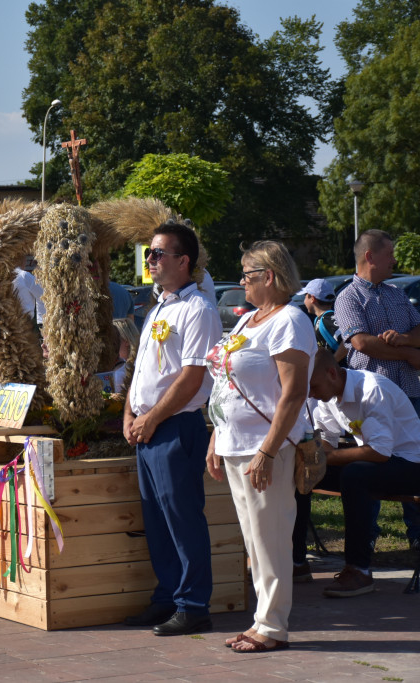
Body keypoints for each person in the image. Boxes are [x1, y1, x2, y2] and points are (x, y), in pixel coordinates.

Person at [206, 240, 315, 653]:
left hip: (265, 447)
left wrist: (268, 451)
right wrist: (217, 436)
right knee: (253, 540)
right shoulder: (248, 319)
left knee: (269, 539)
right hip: (235, 444)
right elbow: (226, 383)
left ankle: (271, 626)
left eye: (247, 275)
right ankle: (261, 621)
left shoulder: (289, 320)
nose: (241, 282)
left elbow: (293, 392)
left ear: (268, 276)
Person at [122, 220, 221, 636]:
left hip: (176, 426)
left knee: (182, 519)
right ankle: (167, 598)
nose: (151, 260)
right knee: (158, 521)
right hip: (147, 427)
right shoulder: (159, 305)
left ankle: (193, 604)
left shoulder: (198, 309)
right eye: (149, 253)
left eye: (158, 253)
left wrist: (152, 417)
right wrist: (129, 414)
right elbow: (141, 370)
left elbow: (193, 376)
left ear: (184, 261)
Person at [307, 349, 420, 596]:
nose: (310, 394)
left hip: (412, 465)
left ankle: (359, 570)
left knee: (355, 475)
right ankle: (295, 562)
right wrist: (315, 462)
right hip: (384, 462)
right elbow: (327, 439)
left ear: (331, 373)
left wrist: (327, 458)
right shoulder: (329, 396)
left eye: (313, 387)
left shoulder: (371, 389)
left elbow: (380, 452)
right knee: (303, 473)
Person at [334, 229, 420, 551]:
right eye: (389, 254)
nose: (394, 260)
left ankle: (417, 537)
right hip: (372, 401)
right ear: (370, 257)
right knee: (371, 465)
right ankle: (365, 539)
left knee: (414, 461)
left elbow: (419, 330)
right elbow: (361, 343)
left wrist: (404, 339)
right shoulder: (348, 298)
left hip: (409, 395)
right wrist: (410, 353)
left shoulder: (397, 293)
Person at [291, 278, 346, 582]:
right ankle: (296, 560)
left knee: (301, 479)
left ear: (311, 297)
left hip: (332, 401)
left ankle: (297, 560)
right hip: (327, 407)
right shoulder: (336, 316)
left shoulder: (316, 324)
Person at [299, 278, 346, 364]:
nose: (304, 301)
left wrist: (333, 362)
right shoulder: (320, 319)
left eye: (305, 296)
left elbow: (347, 341)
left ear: (312, 298)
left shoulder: (327, 319)